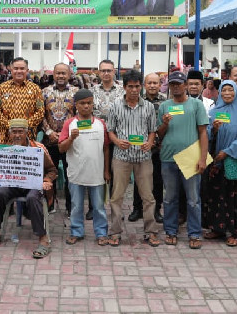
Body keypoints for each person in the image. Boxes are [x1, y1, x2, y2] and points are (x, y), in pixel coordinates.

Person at [0, 119, 57, 258]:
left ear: (27, 132)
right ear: (10, 133)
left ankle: (43, 239)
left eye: (20, 132)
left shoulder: (38, 148)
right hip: (13, 184)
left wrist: (47, 181)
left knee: (33, 198)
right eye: (14, 132)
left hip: (33, 185)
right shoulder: (4, 150)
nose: (17, 135)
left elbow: (52, 170)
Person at [106, 70, 160, 247]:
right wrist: (117, 141)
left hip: (144, 156)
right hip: (121, 157)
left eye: (137, 86)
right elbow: (110, 130)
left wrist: (150, 143)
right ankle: (115, 232)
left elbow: (153, 130)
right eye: (131, 86)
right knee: (117, 196)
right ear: (124, 87)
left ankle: (150, 231)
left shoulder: (149, 107)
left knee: (148, 196)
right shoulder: (115, 106)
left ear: (141, 86)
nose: (134, 90)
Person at [156, 71, 209, 249]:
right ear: (169, 86)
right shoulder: (164, 106)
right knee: (170, 198)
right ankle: (171, 231)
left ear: (185, 85)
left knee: (193, 199)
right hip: (168, 159)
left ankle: (194, 233)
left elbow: (203, 132)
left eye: (179, 83)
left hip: (191, 159)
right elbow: (159, 134)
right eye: (172, 84)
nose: (176, 87)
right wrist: (164, 124)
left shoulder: (196, 105)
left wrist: (203, 158)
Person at [203, 81, 237, 247]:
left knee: (235, 197)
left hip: (234, 159)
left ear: (236, 92)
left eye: (230, 90)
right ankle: (218, 228)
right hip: (217, 160)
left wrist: (228, 151)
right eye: (224, 90)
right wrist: (214, 129)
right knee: (217, 194)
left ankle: (236, 233)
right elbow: (207, 135)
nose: (227, 93)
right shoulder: (214, 110)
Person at [59, 89, 110, 245]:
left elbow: (106, 147)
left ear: (93, 104)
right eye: (82, 103)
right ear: (76, 105)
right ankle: (76, 231)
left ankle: (101, 233)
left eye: (89, 103)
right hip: (76, 173)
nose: (86, 106)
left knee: (99, 207)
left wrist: (106, 170)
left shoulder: (101, 124)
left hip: (96, 173)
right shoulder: (70, 123)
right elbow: (61, 148)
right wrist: (71, 138)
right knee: (76, 205)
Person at [41, 63, 78, 214]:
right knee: (50, 174)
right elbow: (40, 114)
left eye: (64, 73)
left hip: (69, 142)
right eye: (58, 73)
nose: (61, 76)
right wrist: (49, 131)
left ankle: (71, 208)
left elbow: (79, 115)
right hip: (50, 141)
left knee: (71, 176)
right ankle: (49, 205)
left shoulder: (77, 92)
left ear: (69, 75)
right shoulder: (44, 92)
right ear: (53, 75)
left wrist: (67, 135)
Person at [129, 73, 166, 223]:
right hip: (141, 148)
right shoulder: (138, 101)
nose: (152, 85)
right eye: (149, 83)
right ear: (144, 85)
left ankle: (156, 210)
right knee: (139, 180)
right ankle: (137, 209)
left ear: (159, 84)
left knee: (157, 181)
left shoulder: (166, 102)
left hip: (159, 148)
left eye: (155, 83)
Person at [0, 58, 44, 144]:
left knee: (26, 157)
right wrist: (10, 126)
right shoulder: (2, 88)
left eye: (22, 68)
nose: (19, 71)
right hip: (5, 136)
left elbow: (40, 111)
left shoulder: (35, 89)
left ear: (27, 70)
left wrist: (24, 127)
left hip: (28, 136)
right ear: (11, 70)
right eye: (16, 68)